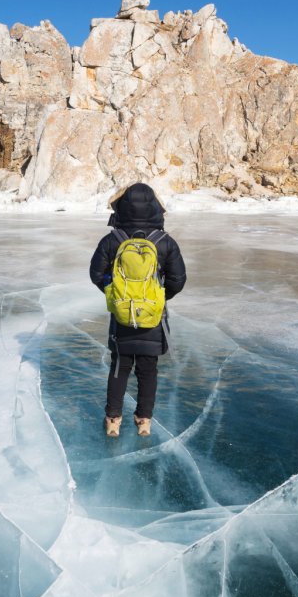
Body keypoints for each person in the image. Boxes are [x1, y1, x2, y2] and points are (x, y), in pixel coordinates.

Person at [89, 183, 186, 437]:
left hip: (122, 317)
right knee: (148, 369)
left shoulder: (113, 240)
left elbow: (96, 274)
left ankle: (113, 420)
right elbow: (178, 280)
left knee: (120, 366)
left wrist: (117, 295)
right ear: (155, 208)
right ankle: (144, 421)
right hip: (153, 318)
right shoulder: (165, 242)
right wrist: (157, 300)